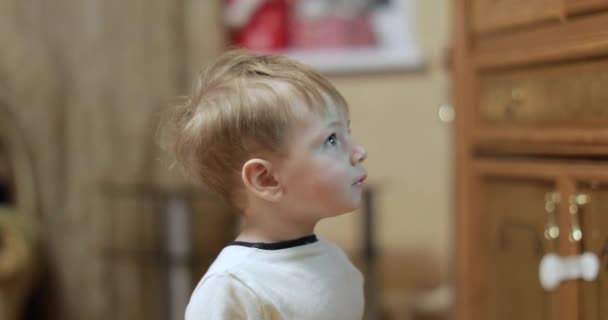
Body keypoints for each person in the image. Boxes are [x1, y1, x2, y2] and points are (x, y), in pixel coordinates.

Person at [160, 49, 368, 319]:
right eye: (331, 139)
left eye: (346, 133)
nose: (359, 152)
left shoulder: (335, 261)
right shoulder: (234, 288)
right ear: (266, 179)